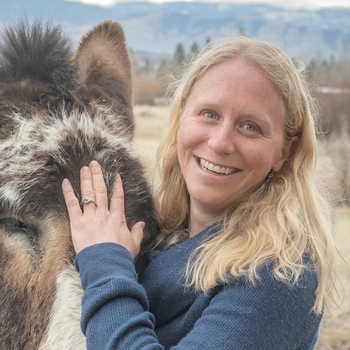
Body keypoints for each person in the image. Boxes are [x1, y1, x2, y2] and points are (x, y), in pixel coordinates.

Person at [62, 35, 338, 349]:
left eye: (250, 126)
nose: (220, 143)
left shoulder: (277, 276)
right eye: (209, 114)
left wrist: (104, 263)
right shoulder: (158, 237)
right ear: (180, 117)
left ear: (284, 153)